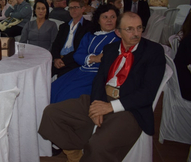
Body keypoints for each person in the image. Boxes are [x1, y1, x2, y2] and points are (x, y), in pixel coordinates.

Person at [39, 12, 165, 162]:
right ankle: (76, 151)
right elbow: (100, 79)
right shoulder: (110, 49)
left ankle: (90, 152)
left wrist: (110, 107)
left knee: (99, 146)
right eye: (130, 29)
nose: (136, 34)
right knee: (51, 113)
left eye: (139, 28)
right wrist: (97, 103)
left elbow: (147, 93)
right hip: (102, 97)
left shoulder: (153, 51)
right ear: (118, 32)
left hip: (129, 108)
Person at [50, 4, 120, 103]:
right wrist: (94, 58)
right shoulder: (90, 35)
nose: (109, 20)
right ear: (98, 20)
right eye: (105, 17)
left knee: (67, 97)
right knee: (53, 88)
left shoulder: (119, 38)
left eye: (113, 17)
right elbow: (77, 55)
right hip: (80, 71)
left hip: (97, 76)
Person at [51, 0, 93, 78]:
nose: (73, 10)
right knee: (42, 73)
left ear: (83, 9)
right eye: (70, 8)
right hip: (59, 59)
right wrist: (56, 58)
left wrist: (65, 60)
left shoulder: (88, 27)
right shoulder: (64, 26)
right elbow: (56, 44)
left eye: (76, 7)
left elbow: (82, 48)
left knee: (62, 78)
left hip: (74, 61)